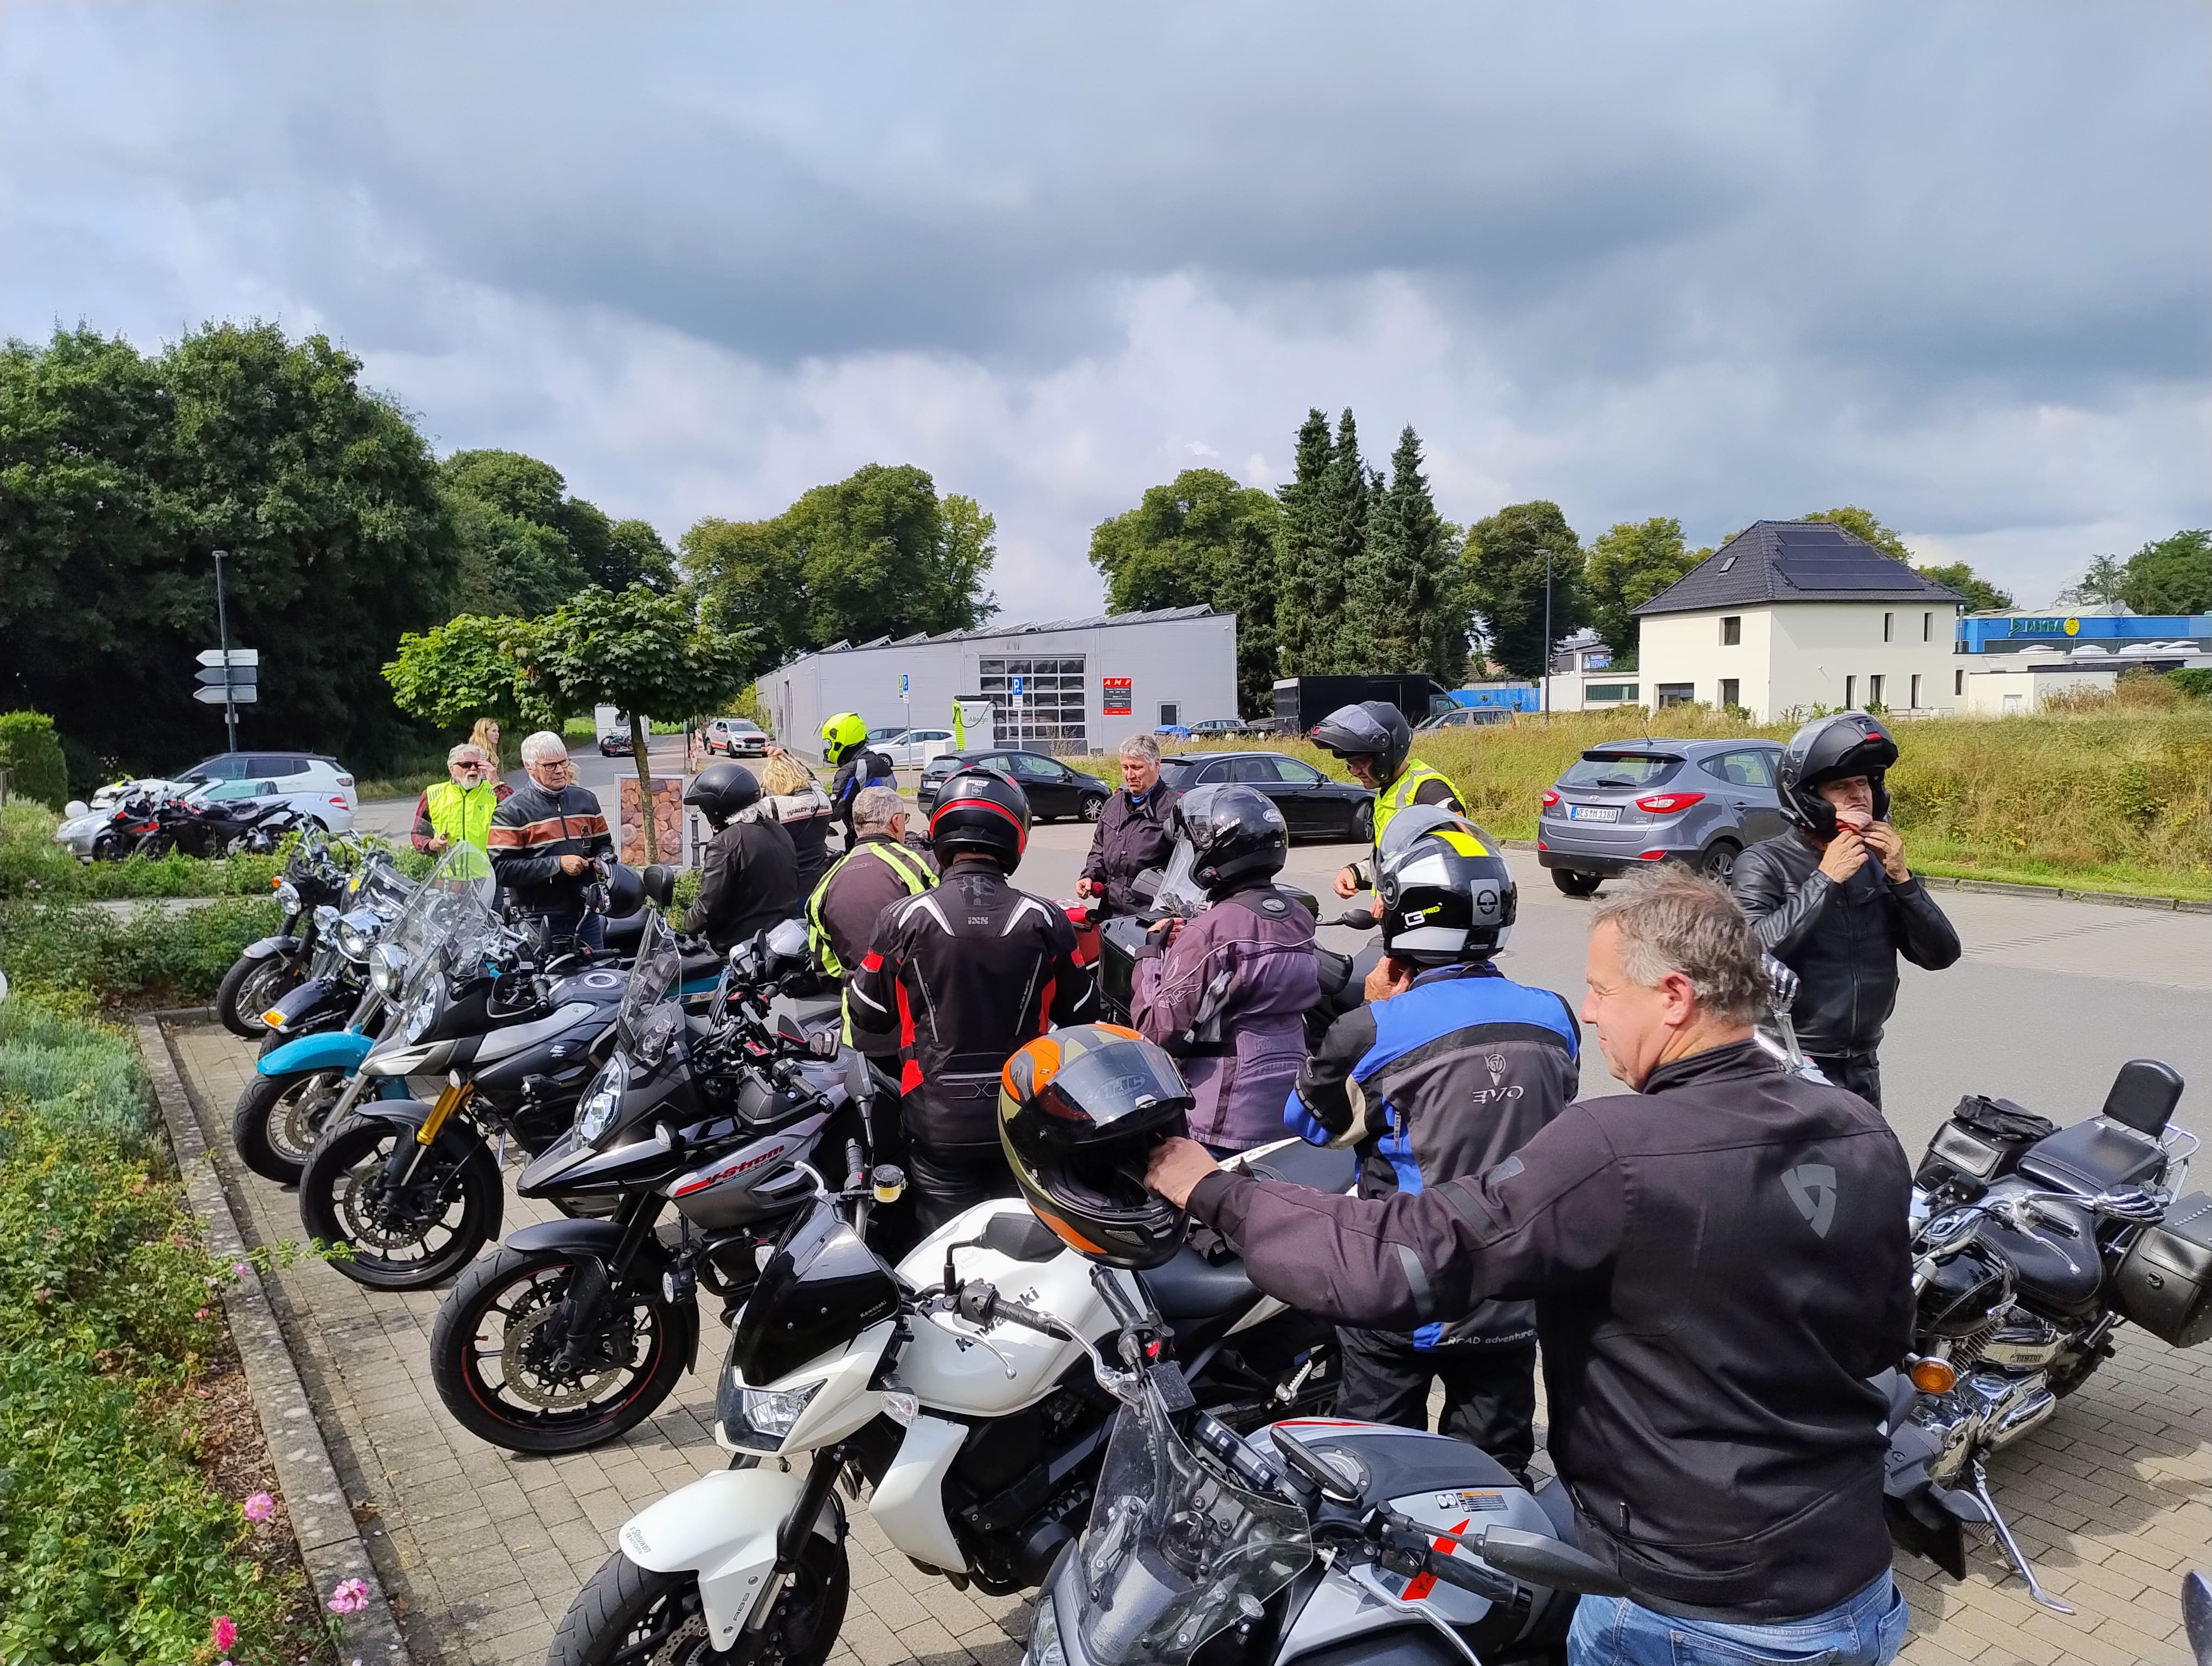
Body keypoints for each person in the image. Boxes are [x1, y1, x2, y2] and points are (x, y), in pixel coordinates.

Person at [1147, 866, 1914, 1666]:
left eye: (1603, 990)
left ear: (1675, 997)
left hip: (1687, 1612)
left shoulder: (1617, 1148)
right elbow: (1881, 1338)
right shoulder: (1859, 1127)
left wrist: (1215, 1192)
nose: (1590, 1010)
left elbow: (1397, 1259)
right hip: (1853, 1587)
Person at [1283, 807, 1578, 1484]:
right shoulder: (1556, 1017)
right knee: (1493, 1478)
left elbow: (1312, 1122)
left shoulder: (1375, 1028)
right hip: (1515, 1289)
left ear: (1406, 918)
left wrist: (1368, 1010)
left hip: (1403, 1288)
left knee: (1374, 1473)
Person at [847, 771, 1096, 1232]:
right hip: (1022, 1114)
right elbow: (1082, 1012)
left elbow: (867, 1014)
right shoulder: (1045, 918)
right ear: (1015, 833)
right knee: (1026, 1241)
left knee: (946, 1245)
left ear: (942, 829)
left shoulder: (903, 918)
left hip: (936, 1120)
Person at [1731, 711, 1960, 1108]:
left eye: (1864, 784)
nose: (1859, 795)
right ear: (1809, 798)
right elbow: (1751, 954)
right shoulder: (1764, 862)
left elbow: (1941, 955)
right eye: (1841, 786)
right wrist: (1826, 879)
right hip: (1787, 1060)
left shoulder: (1876, 864)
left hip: (1861, 1063)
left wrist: (1902, 878)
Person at [1128, 785, 1319, 1155]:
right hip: (1290, 1108)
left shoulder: (1211, 931)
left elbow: (1157, 1032)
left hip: (1223, 1120)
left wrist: (1150, 955)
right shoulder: (1298, 917)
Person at [807, 785, 937, 1039]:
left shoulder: (826, 883)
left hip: (859, 1028)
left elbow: (824, 966)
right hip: (920, 1021)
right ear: (897, 822)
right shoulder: (922, 865)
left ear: (856, 826)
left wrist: (861, 981)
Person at [1311, 701, 1465, 916]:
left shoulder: (1428, 789)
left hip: (1434, 918)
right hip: (1403, 919)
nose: (1354, 771)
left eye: (1360, 762)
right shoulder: (1388, 793)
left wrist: (1398, 888)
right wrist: (1357, 873)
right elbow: (1392, 858)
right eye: (1350, 763)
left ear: (1385, 756)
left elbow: (1459, 853)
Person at [488, 732, 615, 950]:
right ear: (529, 767)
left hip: (586, 913)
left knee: (598, 970)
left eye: (563, 762)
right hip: (538, 918)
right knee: (548, 974)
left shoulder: (586, 800)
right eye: (550, 765)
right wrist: (558, 864)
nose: (560, 770)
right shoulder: (511, 810)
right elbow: (502, 870)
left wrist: (603, 859)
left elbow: (603, 844)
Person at [681, 761, 803, 953]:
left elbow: (707, 910)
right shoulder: (778, 829)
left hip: (740, 951)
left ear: (717, 807)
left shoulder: (725, 843)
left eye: (705, 808)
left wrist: (686, 922)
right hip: (780, 942)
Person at [1077, 732, 1179, 915]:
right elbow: (1099, 851)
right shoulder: (1113, 805)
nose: (1130, 775)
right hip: (1110, 913)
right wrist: (1089, 876)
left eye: (1137, 768)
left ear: (1156, 765)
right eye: (1125, 767)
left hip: (1152, 916)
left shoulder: (1175, 808)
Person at [760, 751, 838, 893]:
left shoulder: (772, 805)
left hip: (789, 882)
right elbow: (812, 779)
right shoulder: (821, 798)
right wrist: (788, 758)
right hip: (820, 877)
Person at [410, 743, 511, 854]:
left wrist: (496, 784)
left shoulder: (496, 791)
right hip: (449, 865)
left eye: (478, 765)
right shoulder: (432, 794)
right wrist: (431, 844)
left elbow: (518, 816)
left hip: (487, 865)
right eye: (466, 765)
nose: (473, 768)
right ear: (452, 769)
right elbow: (419, 833)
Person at [818, 712, 898, 844]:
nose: (829, 748)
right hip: (891, 836)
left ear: (841, 740)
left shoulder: (852, 770)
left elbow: (833, 810)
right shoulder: (881, 763)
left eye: (830, 743)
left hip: (864, 841)